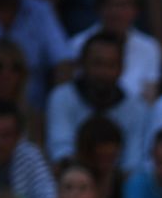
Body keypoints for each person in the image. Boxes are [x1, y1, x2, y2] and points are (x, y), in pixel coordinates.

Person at [45, 31, 148, 164]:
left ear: (121, 68)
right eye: (97, 64)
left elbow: (132, 163)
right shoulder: (62, 98)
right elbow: (61, 153)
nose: (103, 72)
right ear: (82, 64)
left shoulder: (137, 109)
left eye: (111, 65)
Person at [66, 0, 162, 104]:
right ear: (99, 7)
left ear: (135, 10)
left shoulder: (150, 48)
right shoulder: (76, 45)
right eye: (110, 4)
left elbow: (149, 102)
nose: (116, 12)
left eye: (123, 5)